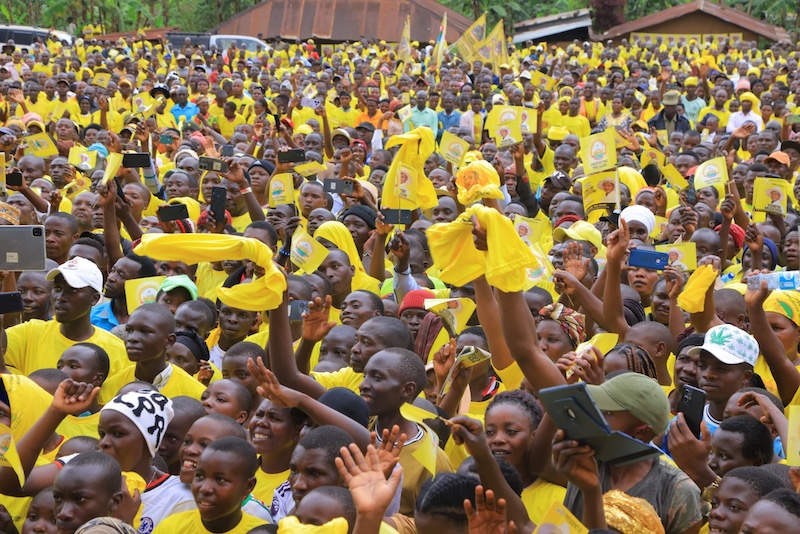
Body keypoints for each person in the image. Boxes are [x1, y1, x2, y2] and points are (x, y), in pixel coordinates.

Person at [3, 257, 128, 377]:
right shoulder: (29, 332)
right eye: (57, 288)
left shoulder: (116, 350)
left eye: (73, 290)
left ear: (94, 299)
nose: (60, 297)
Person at [152, 437, 267, 533]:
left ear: (248, 486)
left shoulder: (260, 531)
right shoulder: (171, 528)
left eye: (220, 479)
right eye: (200, 476)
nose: (205, 488)